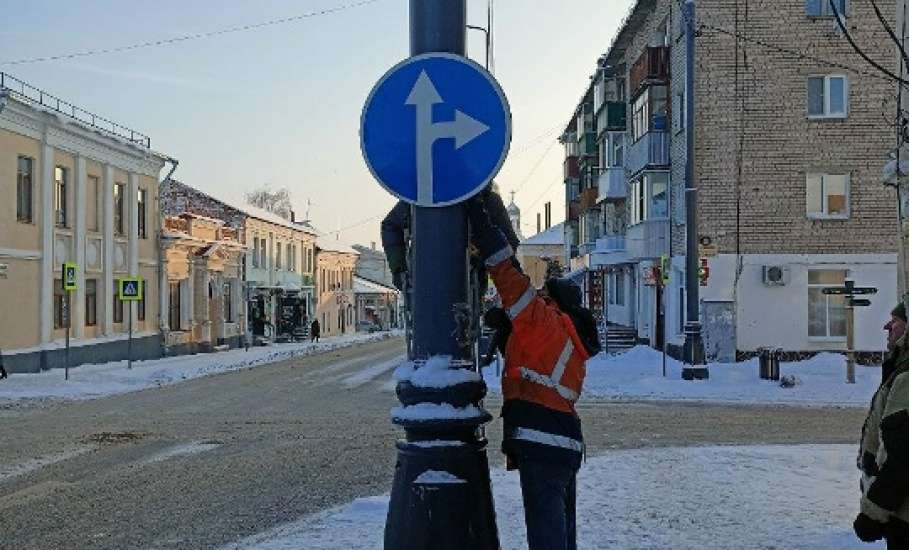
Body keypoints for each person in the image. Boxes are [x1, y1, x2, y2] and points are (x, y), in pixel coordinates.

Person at [467, 191, 599, 550]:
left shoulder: (544, 322)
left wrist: (478, 217)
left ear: (554, 304)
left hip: (541, 445)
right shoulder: (570, 339)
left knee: (547, 538)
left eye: (544, 295)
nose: (538, 295)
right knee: (559, 536)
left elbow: (507, 274)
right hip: (563, 445)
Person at [855, 301, 909, 548]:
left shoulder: (907, 376)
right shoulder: (899, 368)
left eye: (896, 321)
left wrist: (874, 512)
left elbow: (903, 455)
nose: (888, 326)